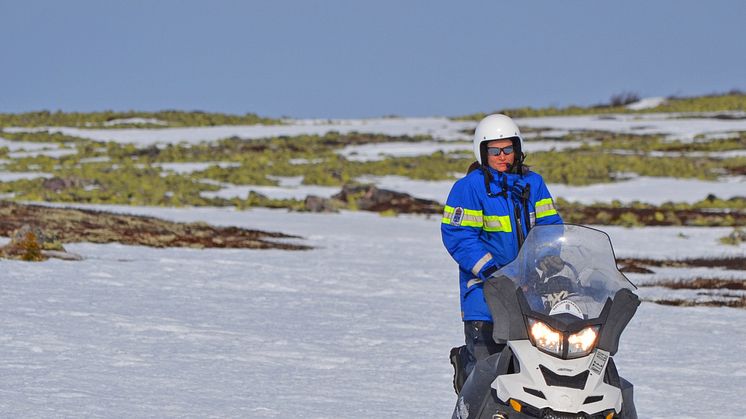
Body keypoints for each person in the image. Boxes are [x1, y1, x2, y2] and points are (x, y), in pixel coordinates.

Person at [441, 114, 563, 394]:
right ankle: (468, 375)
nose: (502, 156)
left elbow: (550, 227)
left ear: (518, 149)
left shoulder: (533, 183)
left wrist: (550, 259)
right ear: (482, 152)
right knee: (486, 375)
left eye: (508, 149)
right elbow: (458, 236)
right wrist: (490, 271)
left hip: (531, 293)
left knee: (537, 372)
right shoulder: (468, 189)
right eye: (494, 151)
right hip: (485, 294)